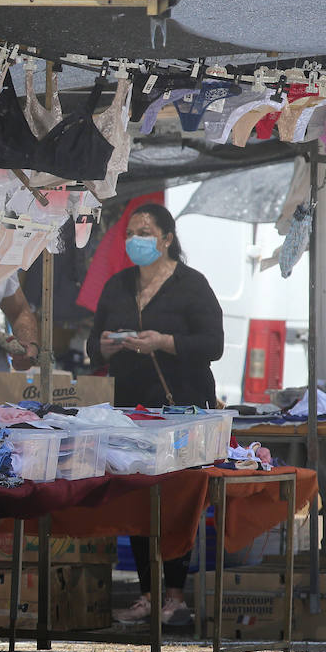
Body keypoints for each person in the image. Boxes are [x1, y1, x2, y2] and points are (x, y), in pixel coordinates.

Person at [87, 203, 223, 626]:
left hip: (182, 409)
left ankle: (176, 595)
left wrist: (163, 341)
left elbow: (213, 345)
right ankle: (148, 593)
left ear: (166, 239)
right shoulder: (118, 285)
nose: (136, 240)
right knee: (137, 499)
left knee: (178, 499)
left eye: (145, 232)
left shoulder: (191, 285)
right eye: (131, 232)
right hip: (131, 408)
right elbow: (94, 345)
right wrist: (108, 346)